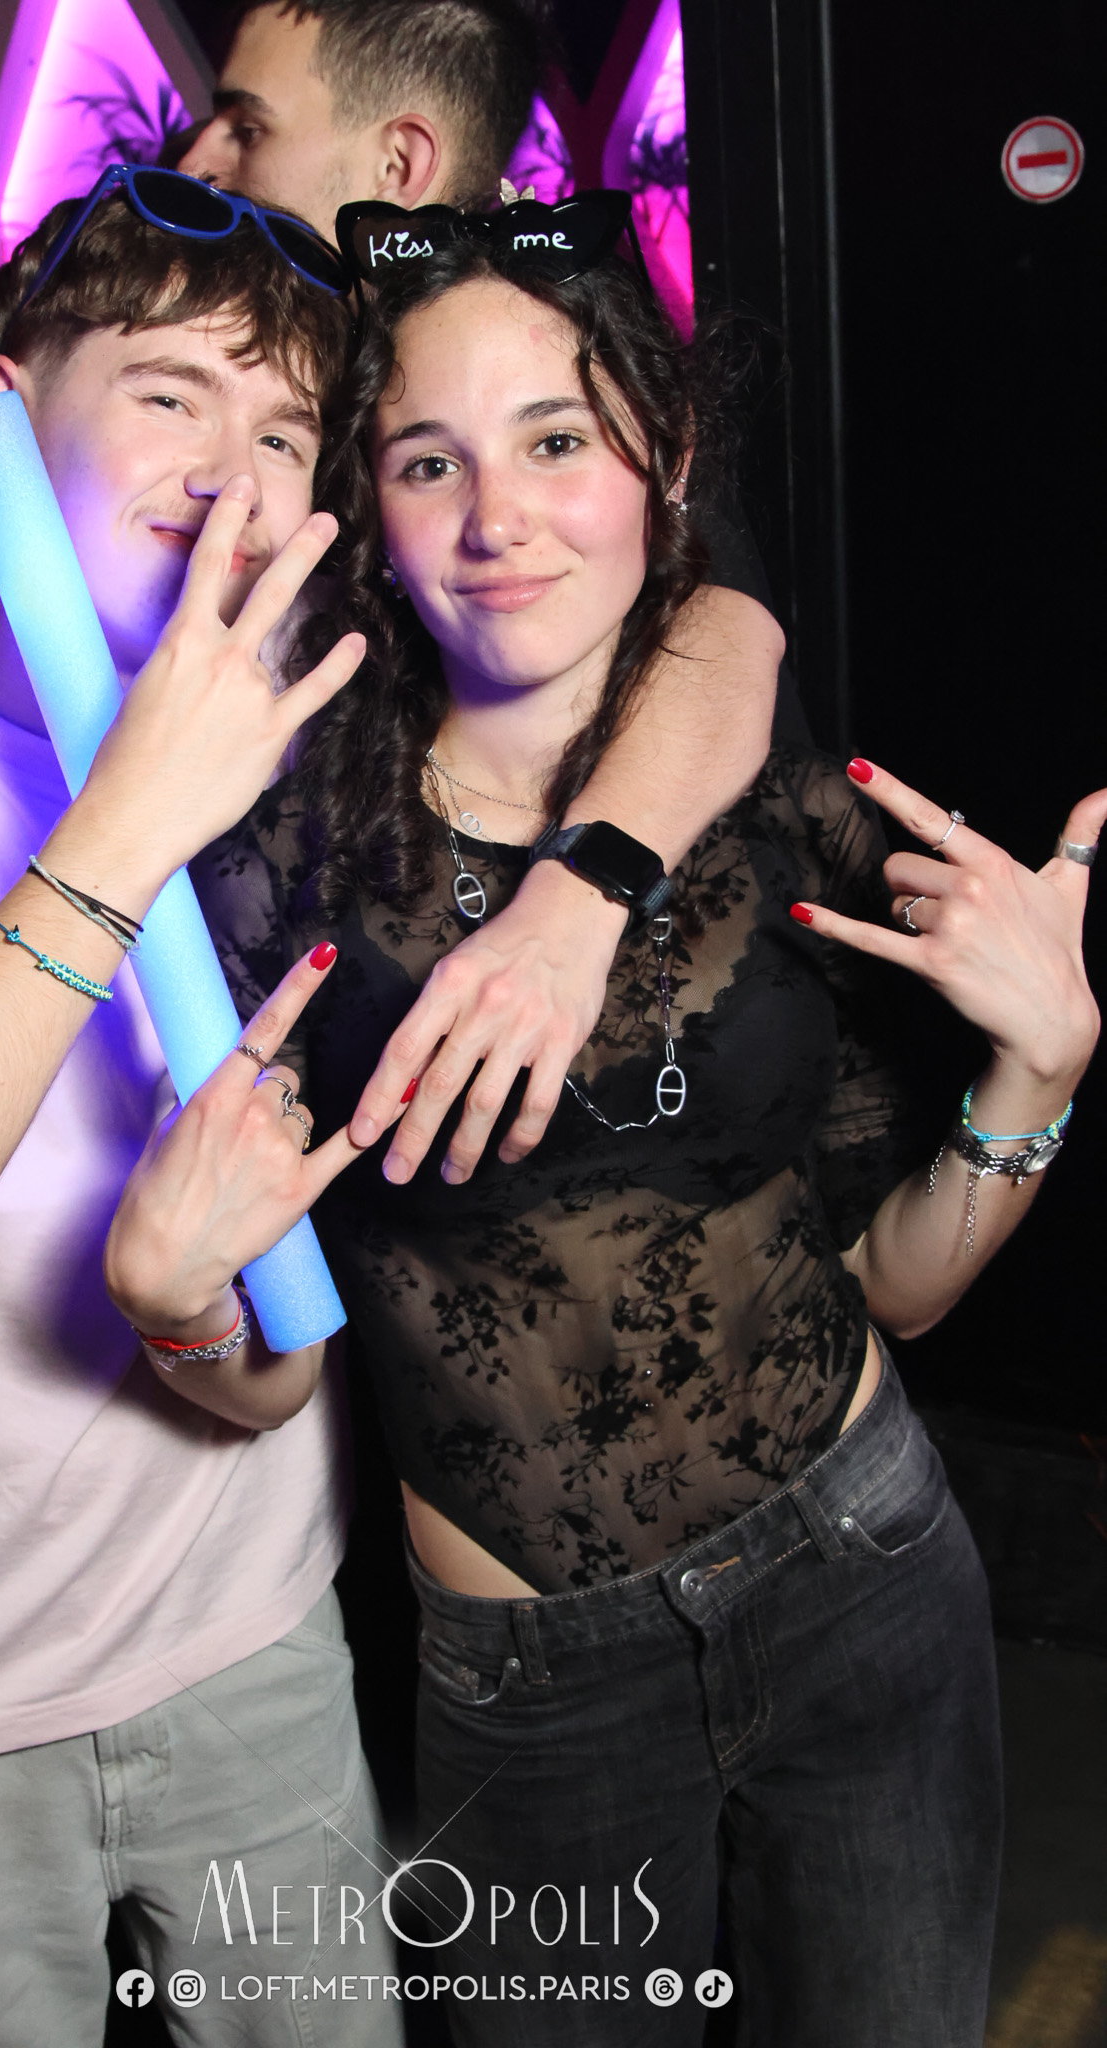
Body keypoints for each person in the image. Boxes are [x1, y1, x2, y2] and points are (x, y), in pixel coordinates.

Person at [106, 197, 1104, 2046]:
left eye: (558, 439)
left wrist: (1033, 1078)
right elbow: (267, 1380)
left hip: (867, 1576)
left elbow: (895, 1287)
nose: (500, 519)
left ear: (665, 460)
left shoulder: (786, 812)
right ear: (371, 507)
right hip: (535, 1691)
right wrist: (176, 1310)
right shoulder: (279, 865)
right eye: (430, 460)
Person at [0, 181, 398, 2047]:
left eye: (284, 430)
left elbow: (274, 1354)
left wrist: (193, 1317)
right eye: (174, 392)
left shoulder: (304, 751)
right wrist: (119, 828)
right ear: (5, 409)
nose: (232, 472)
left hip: (257, 1637)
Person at [182, 0, 792, 1191]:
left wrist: (578, 892)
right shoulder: (280, 372)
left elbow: (725, 629)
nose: (203, 158)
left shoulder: (546, 332)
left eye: (247, 126)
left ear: (401, 161)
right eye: (425, 466)